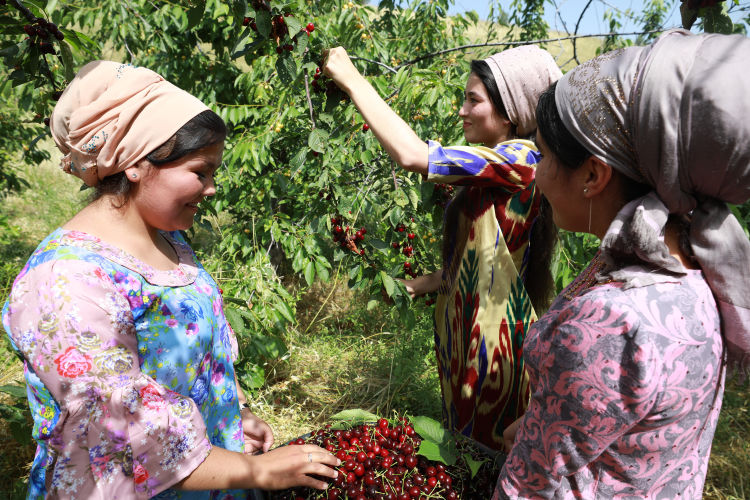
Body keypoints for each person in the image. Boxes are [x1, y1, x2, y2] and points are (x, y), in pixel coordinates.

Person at [1, 61, 339, 499]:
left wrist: (234, 415)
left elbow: (191, 361)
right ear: (137, 164)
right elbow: (119, 431)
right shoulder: (66, 280)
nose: (212, 188)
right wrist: (258, 472)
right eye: (201, 171)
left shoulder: (168, 242)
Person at [495, 29, 750, 499]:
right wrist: (540, 425)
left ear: (593, 174)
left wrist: (538, 445)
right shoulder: (693, 268)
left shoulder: (610, 321)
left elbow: (527, 488)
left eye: (545, 156)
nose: (538, 175)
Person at [323, 45, 562, 450]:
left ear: (511, 113)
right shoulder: (492, 164)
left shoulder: (521, 159)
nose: (462, 111)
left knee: (487, 453)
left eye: (474, 100)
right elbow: (485, 248)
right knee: (465, 444)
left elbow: (413, 156)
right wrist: (429, 282)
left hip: (494, 342)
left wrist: (352, 80)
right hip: (465, 330)